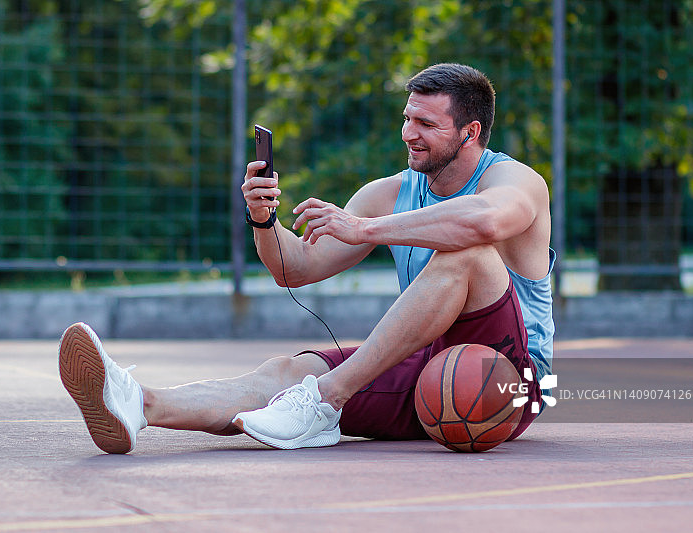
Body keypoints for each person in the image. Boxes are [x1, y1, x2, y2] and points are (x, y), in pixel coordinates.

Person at [58, 63, 554, 454]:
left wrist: (365, 229)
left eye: (425, 123)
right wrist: (263, 219)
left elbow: (484, 223)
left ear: (470, 132)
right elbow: (296, 269)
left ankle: (324, 401)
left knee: (467, 254)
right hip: (439, 375)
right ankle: (137, 405)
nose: (408, 132)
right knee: (286, 371)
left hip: (518, 381)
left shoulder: (516, 182)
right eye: (406, 118)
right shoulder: (389, 193)